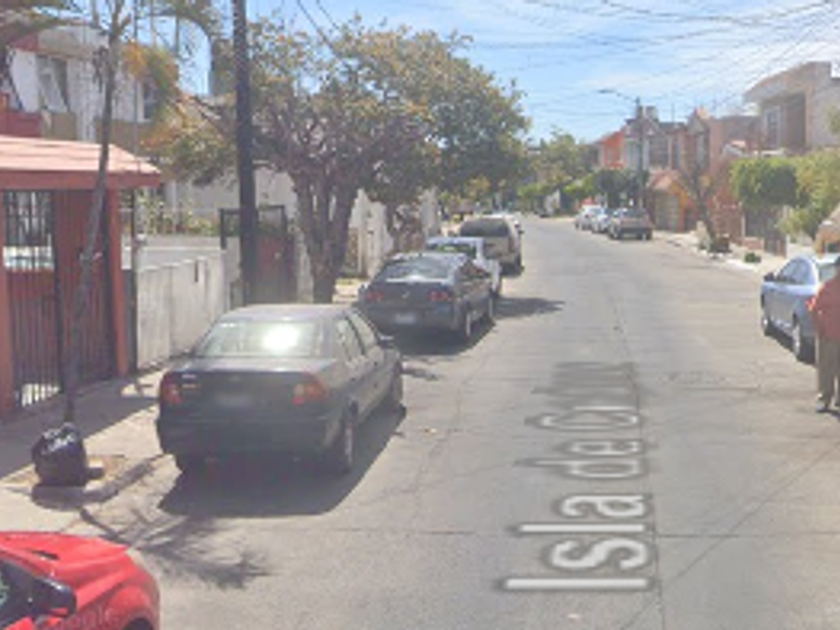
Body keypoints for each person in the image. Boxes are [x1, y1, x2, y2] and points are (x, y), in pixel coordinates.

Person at [808, 256, 840, 412]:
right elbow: (813, 309)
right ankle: (824, 398)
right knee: (826, 370)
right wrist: (819, 329)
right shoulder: (827, 288)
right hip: (828, 337)